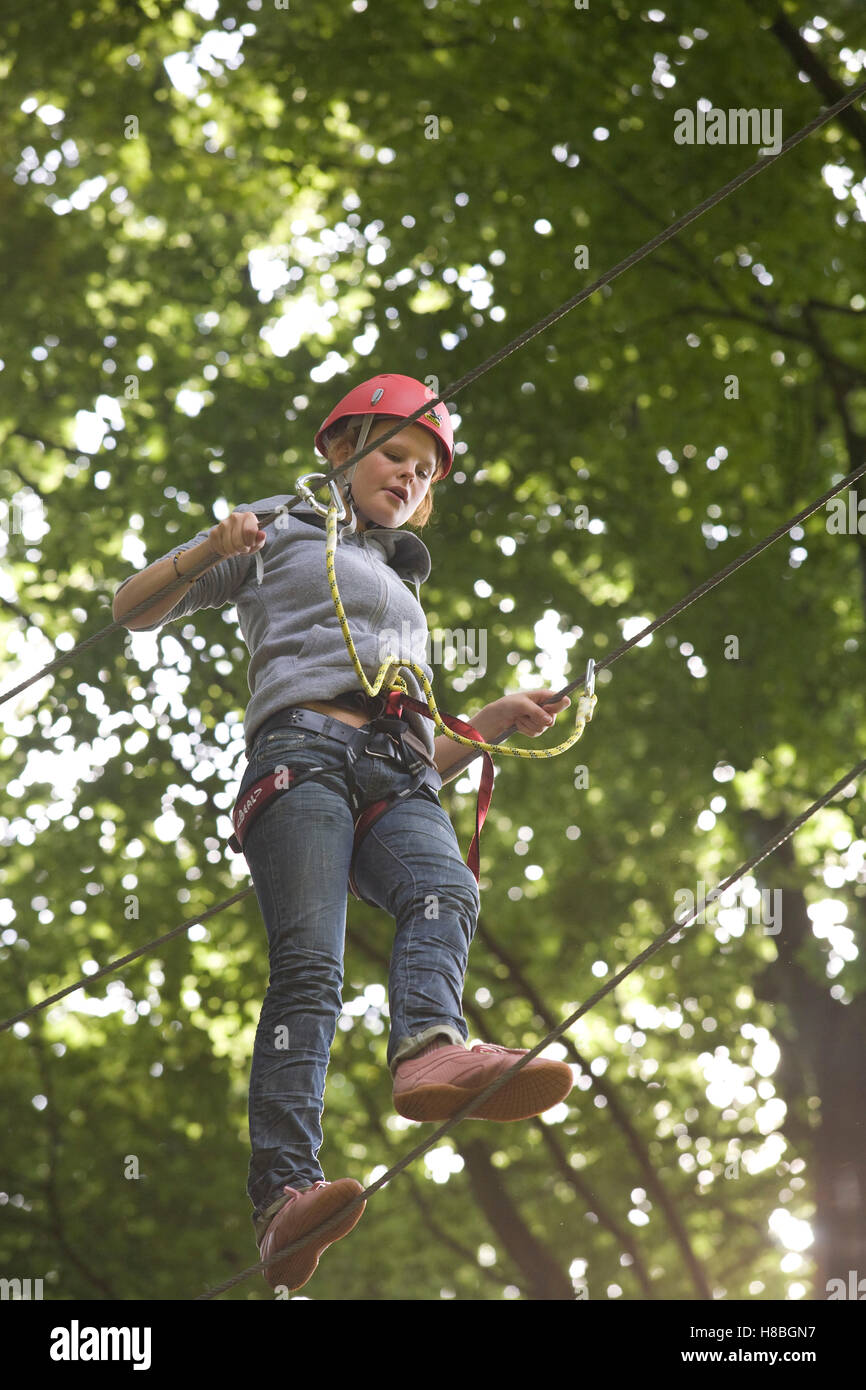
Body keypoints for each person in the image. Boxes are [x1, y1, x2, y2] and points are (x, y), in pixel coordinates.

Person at [113, 373, 574, 1294]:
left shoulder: (402, 581)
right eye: (394, 455)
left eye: (425, 472)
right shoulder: (279, 527)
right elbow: (133, 609)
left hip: (397, 772)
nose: (408, 477)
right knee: (311, 966)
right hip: (302, 755)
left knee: (445, 889)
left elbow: (417, 751)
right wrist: (212, 546)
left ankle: (428, 1047)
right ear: (338, 449)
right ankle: (284, 1194)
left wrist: (492, 717)